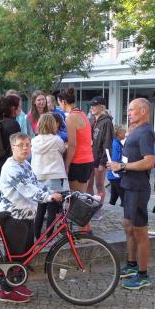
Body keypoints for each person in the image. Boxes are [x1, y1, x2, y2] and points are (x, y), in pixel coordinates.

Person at [0, 132, 63, 302]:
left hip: (26, 215)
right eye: (21, 145)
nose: (25, 148)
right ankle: (6, 291)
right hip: (13, 217)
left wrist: (52, 191)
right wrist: (48, 197)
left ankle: (17, 283)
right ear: (13, 147)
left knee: (25, 253)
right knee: (15, 254)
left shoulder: (25, 164)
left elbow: (36, 183)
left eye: (28, 144)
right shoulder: (11, 168)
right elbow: (28, 189)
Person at [106, 98, 155, 290]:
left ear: (143, 111)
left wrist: (122, 166)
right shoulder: (135, 130)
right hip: (128, 184)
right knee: (128, 226)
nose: (128, 113)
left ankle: (143, 275)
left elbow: (149, 161)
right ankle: (132, 264)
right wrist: (118, 166)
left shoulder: (146, 132)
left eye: (132, 110)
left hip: (138, 188)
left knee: (139, 230)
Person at [57, 87, 95, 230]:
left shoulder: (70, 117)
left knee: (78, 202)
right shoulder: (82, 114)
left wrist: (66, 165)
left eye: (59, 103)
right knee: (82, 199)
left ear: (63, 102)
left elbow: (72, 145)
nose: (59, 106)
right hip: (88, 159)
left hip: (78, 161)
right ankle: (87, 231)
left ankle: (84, 233)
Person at [31, 113, 67, 239]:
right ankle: (49, 237)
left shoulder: (34, 141)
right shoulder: (57, 140)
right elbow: (63, 150)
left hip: (38, 176)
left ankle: (37, 236)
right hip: (53, 176)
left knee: (40, 207)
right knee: (52, 209)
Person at [0, 94, 22, 212]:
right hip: (8, 165)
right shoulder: (13, 124)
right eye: (19, 107)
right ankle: (6, 221)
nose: (20, 109)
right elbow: (18, 147)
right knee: (10, 195)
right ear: (12, 108)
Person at [87, 96, 114, 215]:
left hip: (99, 158)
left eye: (95, 105)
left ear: (102, 107)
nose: (92, 108)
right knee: (88, 184)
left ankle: (98, 210)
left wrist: (103, 162)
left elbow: (107, 143)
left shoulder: (107, 122)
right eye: (91, 105)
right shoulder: (92, 120)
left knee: (99, 184)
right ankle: (89, 208)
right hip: (89, 157)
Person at [107, 126, 126, 206]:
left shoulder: (116, 143)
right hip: (116, 174)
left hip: (113, 174)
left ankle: (110, 208)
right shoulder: (115, 144)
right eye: (124, 132)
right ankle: (124, 212)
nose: (125, 134)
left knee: (114, 196)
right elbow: (114, 160)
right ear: (119, 134)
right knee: (124, 198)